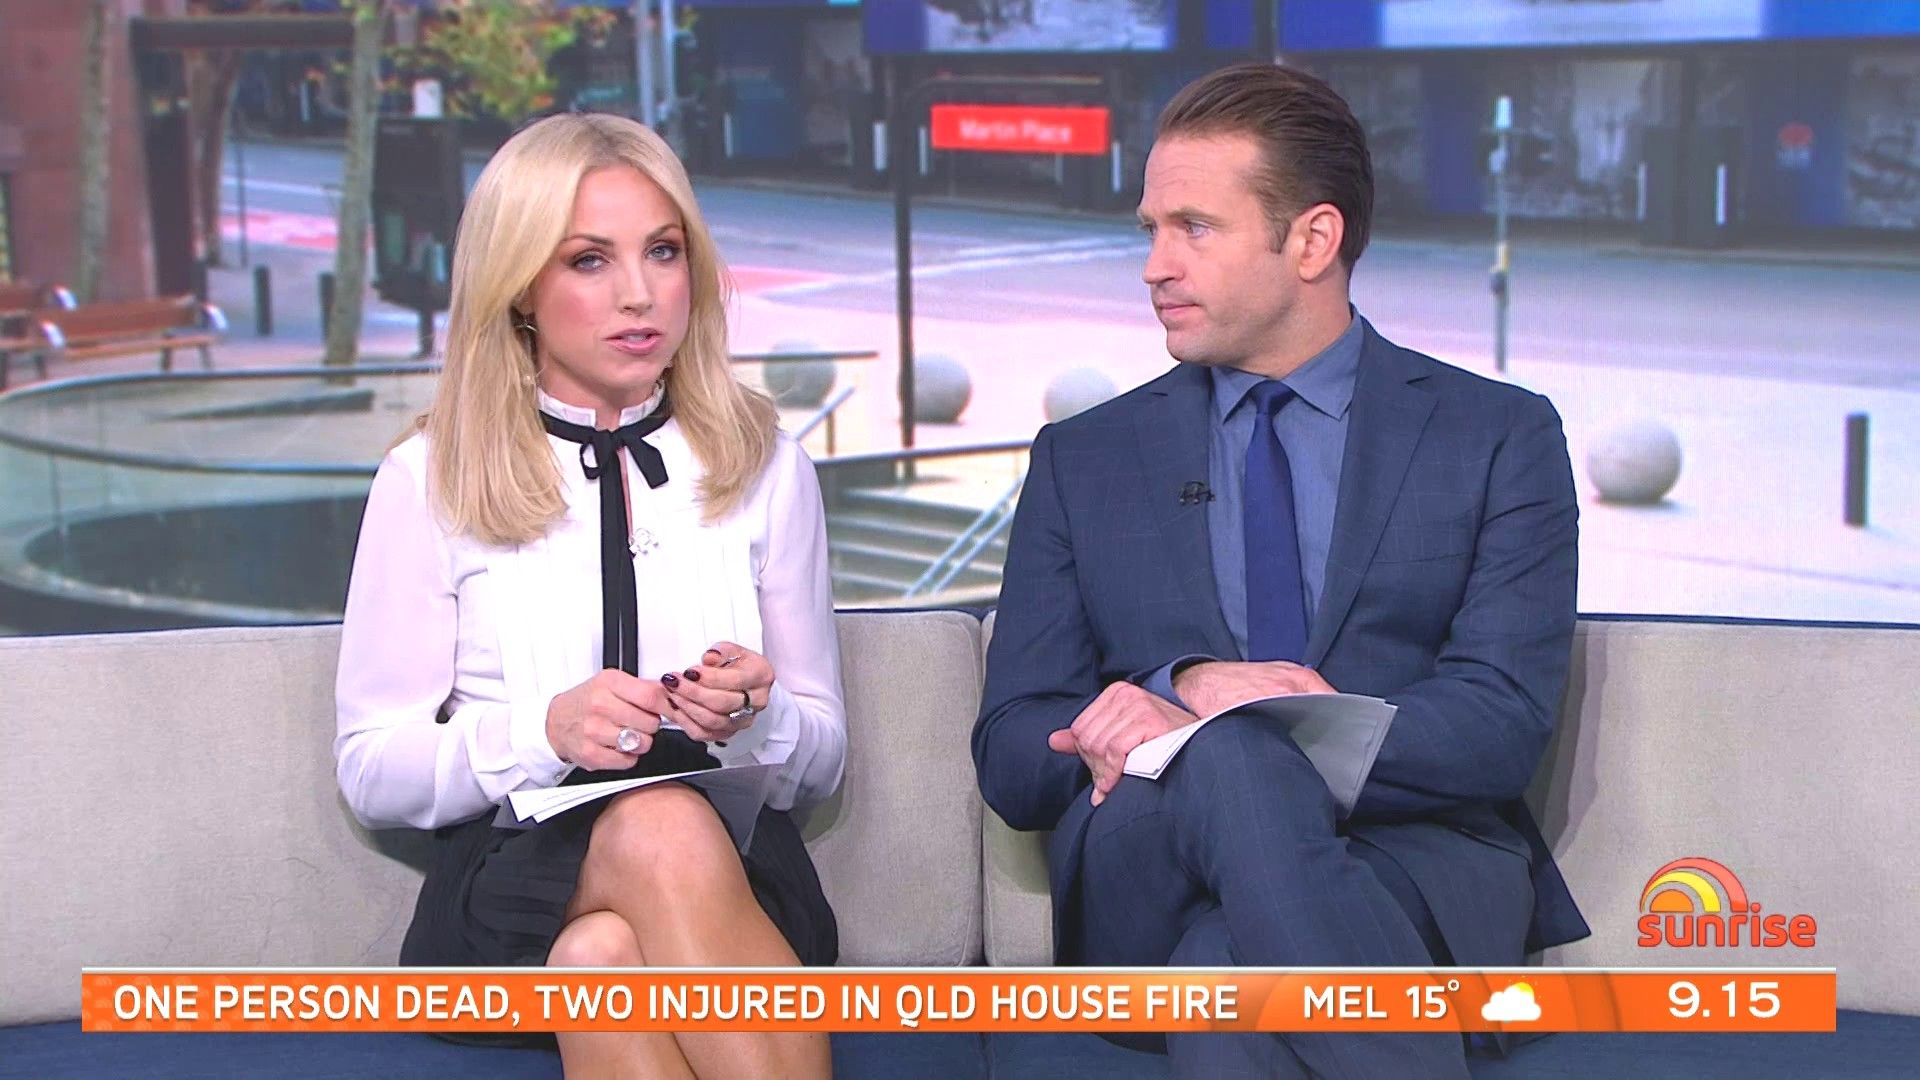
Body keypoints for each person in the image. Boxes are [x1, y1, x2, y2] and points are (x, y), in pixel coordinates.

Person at [975, 63, 1589, 1079]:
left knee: (1227, 983)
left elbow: (1499, 725)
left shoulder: (1494, 437)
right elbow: (1010, 754)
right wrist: (1186, 690)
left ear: (1312, 240)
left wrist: (1274, 723)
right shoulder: (1086, 460)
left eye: (1194, 228)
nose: (1155, 266)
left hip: (1409, 862)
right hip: (1147, 867)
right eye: (1151, 230)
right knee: (1229, 758)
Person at [335, 112, 845, 1080]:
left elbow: (822, 757)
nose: (639, 294)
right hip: (510, 881)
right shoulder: (428, 477)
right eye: (589, 261)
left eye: (663, 251)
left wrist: (758, 717)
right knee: (654, 827)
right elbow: (371, 769)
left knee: (600, 955)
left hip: (740, 879)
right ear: (520, 286)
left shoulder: (766, 465)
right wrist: (542, 732)